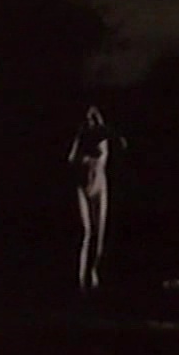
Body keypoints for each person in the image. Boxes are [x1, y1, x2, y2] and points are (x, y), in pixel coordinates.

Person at [67, 105, 127, 294]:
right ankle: (79, 278)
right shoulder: (80, 141)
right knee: (85, 231)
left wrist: (114, 136)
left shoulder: (102, 137)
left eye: (92, 119)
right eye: (86, 120)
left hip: (99, 187)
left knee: (99, 233)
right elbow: (70, 160)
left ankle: (93, 271)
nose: (89, 122)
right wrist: (79, 137)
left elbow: (116, 137)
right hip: (82, 187)